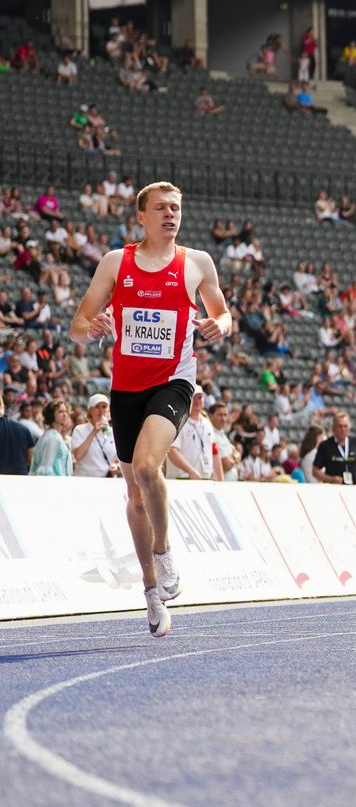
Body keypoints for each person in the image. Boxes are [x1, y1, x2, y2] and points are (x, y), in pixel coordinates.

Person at [67, 180, 232, 636]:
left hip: (174, 382)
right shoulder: (116, 263)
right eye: (160, 208)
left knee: (145, 467)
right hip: (126, 390)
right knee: (135, 497)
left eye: (176, 208)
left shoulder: (196, 263)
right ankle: (150, 588)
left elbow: (223, 312)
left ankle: (164, 549)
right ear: (141, 216)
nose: (170, 215)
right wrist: (93, 326)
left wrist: (218, 324)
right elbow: (77, 326)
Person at [311, 411, 356, 485]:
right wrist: (331, 479)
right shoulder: (325, 445)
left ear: (349, 428)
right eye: (340, 426)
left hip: (354, 488)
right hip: (334, 488)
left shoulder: (355, 443)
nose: (343, 429)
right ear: (333, 428)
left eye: (345, 426)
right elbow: (315, 471)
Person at [71, 393, 118, 477]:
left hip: (106, 481)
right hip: (85, 479)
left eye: (104, 407)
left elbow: (118, 459)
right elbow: (78, 456)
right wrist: (94, 431)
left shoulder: (113, 432)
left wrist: (116, 466)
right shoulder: (80, 430)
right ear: (90, 411)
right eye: (97, 407)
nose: (101, 410)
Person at [30, 400, 75, 475]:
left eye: (66, 411)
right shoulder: (53, 438)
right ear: (51, 414)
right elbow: (46, 470)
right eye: (60, 412)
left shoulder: (52, 435)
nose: (65, 415)